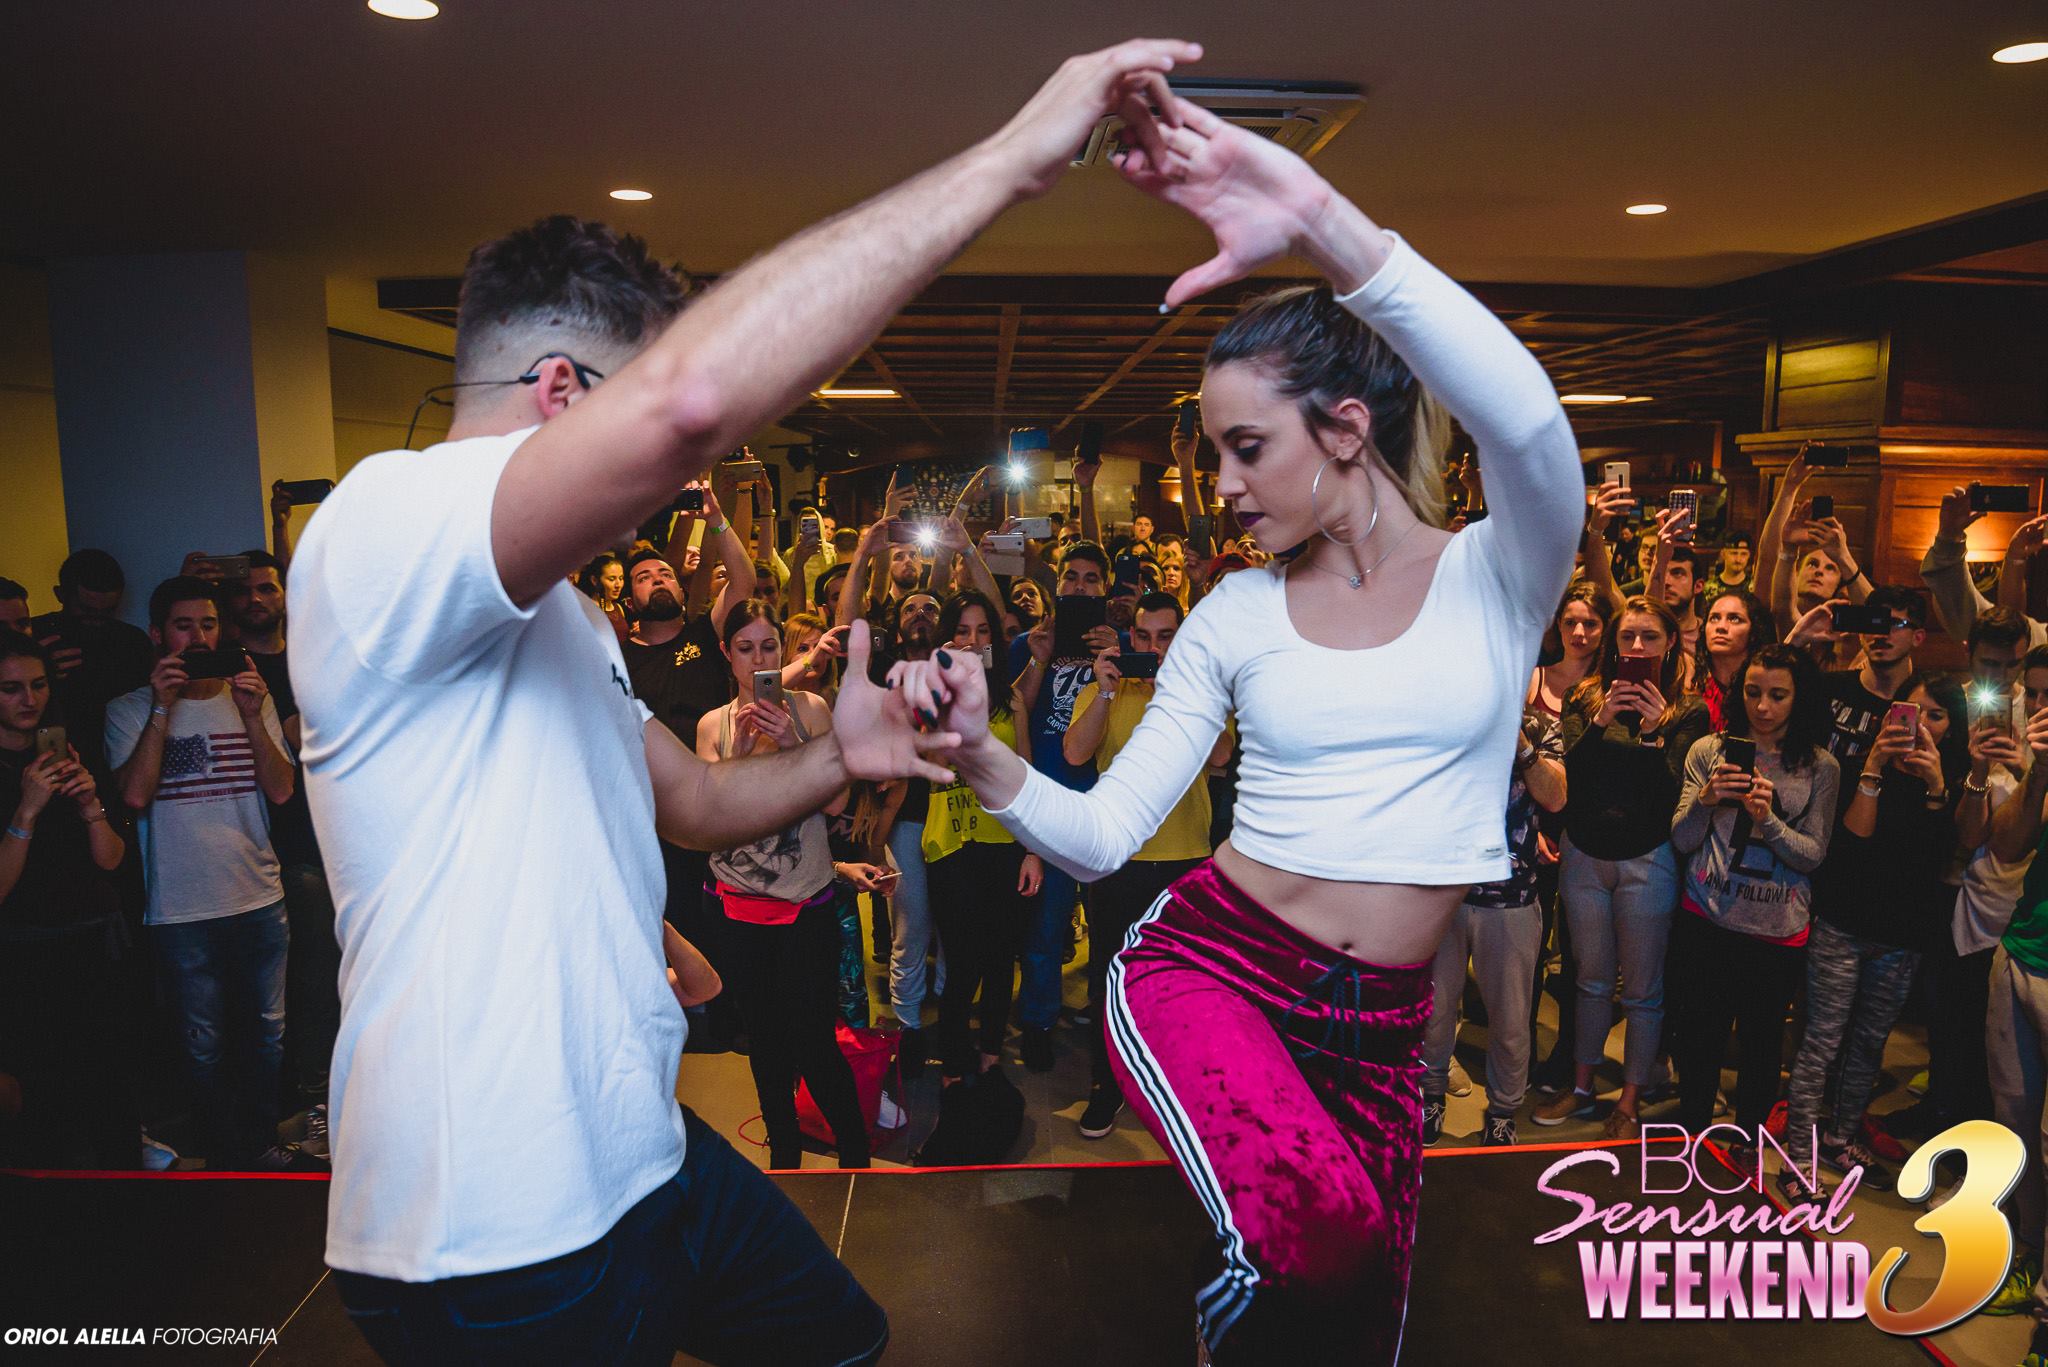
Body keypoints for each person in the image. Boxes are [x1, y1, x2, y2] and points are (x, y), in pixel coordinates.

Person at [288, 39, 1198, 1363]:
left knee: (842, 1336)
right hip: (493, 1226)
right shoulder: (385, 526)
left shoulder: (565, 617)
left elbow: (694, 801)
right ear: (563, 393)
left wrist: (841, 753)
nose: (667, 493)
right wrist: (1015, 158)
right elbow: (691, 406)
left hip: (640, 1159)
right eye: (634, 435)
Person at [895, 90, 1582, 1359]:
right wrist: (981, 753)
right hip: (1213, 967)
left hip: (1385, 1023)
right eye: (1213, 451)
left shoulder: (1501, 573)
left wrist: (1318, 219)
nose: (1220, 484)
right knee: (1315, 1242)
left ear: (1346, 428)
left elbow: (1528, 420)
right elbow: (1103, 834)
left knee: (1358, 1323)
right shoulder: (1233, 614)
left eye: (1246, 446)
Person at [106, 576, 301, 1169]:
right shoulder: (128, 709)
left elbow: (282, 790)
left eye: (209, 625)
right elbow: (133, 796)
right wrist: (162, 707)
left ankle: (260, 1145)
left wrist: (252, 714)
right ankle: (222, 1158)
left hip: (258, 894)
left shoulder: (250, 698)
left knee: (267, 1035)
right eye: (184, 626)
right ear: (157, 634)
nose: (198, 638)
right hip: (181, 906)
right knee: (202, 1044)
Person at [695, 599, 868, 1171]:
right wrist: (742, 756)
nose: (758, 660)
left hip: (805, 904)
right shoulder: (714, 725)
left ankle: (855, 1156)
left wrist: (795, 745)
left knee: (815, 1042)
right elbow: (710, 821)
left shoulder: (811, 709)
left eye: (769, 647)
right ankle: (785, 1157)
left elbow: (838, 804)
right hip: (739, 911)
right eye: (745, 649)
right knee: (764, 1043)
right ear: (727, 654)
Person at [1062, 590, 1233, 1138]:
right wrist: (1106, 693)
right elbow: (1074, 753)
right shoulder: (1104, 687)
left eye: (1165, 637)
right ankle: (1107, 1084)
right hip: (1120, 856)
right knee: (1110, 981)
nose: (1153, 648)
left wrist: (1181, 690)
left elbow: (1221, 756)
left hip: (1187, 857)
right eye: (1143, 636)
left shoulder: (1200, 688)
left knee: (1187, 983)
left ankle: (1181, 1086)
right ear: (1128, 637)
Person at [1538, 597, 1709, 1139]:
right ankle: (1582, 1086)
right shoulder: (1587, 695)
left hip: (1647, 857)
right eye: (1628, 636)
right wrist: (1603, 719)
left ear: (1670, 643)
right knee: (1589, 981)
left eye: (1649, 637)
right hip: (1585, 854)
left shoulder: (1688, 709)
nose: (1637, 646)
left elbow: (1673, 795)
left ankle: (1629, 1100)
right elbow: (1571, 778)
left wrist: (1656, 731)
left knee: (1640, 990)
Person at [1666, 644, 1838, 1155]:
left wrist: (1769, 821)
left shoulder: (1820, 766)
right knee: (1698, 1041)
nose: (1763, 707)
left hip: (1776, 930)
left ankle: (1746, 1149)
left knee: (1761, 1048)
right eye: (1753, 692)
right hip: (1707, 918)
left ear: (1799, 698)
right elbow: (1682, 838)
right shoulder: (1709, 750)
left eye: (1778, 696)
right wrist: (1706, 799)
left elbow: (1813, 855)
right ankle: (1693, 1142)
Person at [0, 633, 134, 1167]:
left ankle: (127, 1198)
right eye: (11, 689)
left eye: (38, 685)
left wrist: (90, 806)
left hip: (94, 940)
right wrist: (26, 811)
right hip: (25, 955)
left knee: (113, 1090)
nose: (29, 699)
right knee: (45, 1102)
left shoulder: (66, 750)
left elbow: (112, 860)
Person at [223, 548, 337, 1146]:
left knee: (334, 975)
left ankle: (331, 1098)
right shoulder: (224, 669)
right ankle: (309, 1103)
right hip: (260, 847)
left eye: (267, 588)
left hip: (329, 840)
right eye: (244, 591)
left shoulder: (312, 658)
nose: (256, 600)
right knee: (295, 986)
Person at [1421, 702, 1565, 1148]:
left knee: (1510, 1019)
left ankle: (1503, 1110)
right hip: (1442, 892)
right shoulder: (1444, 711)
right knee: (1434, 1009)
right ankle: (1430, 1095)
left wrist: (1520, 743)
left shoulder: (1542, 726)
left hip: (1511, 897)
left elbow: (1555, 797)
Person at [1008, 541, 1120, 1072]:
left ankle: (1110, 1020)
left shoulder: (1121, 644)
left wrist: (1119, 652)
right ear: (1057, 584)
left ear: (1105, 587)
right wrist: (1039, 657)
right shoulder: (1033, 643)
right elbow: (1016, 712)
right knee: (1047, 926)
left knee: (1109, 926)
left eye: (1091, 579)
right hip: (1050, 800)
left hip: (1106, 805)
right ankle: (1038, 1021)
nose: (1079, 586)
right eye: (1071, 577)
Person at [921, 591, 1041, 1089]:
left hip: (1005, 844)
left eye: (983, 630)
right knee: (962, 964)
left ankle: (990, 1055)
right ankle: (953, 1066)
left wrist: (1033, 849)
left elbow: (1027, 775)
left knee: (999, 960)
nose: (973, 641)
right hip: (952, 846)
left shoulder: (1011, 699)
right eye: (962, 631)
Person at [32, 549, 155, 773]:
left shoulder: (133, 642)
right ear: (60, 594)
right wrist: (37, 672)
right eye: (86, 611)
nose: (96, 621)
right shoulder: (36, 636)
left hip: (121, 760)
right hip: (50, 758)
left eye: (108, 612)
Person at [1696, 588, 1775, 733]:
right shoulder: (1690, 680)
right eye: (1714, 618)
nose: (1721, 627)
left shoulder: (1764, 686)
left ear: (1754, 630)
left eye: (1734, 619)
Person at [1703, 531, 1755, 601]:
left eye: (1743, 554)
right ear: (1723, 554)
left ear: (1749, 555)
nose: (1738, 559)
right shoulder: (1709, 589)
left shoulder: (1754, 589)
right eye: (1734, 553)